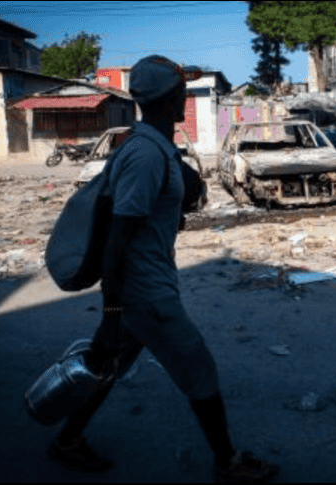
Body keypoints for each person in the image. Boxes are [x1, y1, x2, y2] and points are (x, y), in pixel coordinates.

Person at [46, 55, 280, 483]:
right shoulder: (145, 155)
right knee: (199, 368)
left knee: (108, 365)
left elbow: (158, 207)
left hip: (144, 286)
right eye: (180, 93)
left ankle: (68, 439)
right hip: (146, 292)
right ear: (168, 99)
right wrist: (111, 313)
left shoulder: (154, 146)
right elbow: (117, 240)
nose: (184, 99)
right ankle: (227, 462)